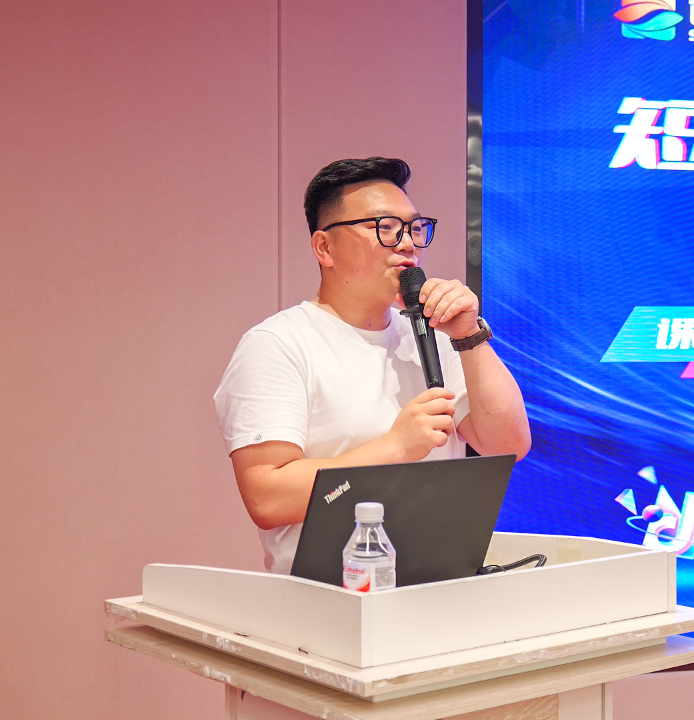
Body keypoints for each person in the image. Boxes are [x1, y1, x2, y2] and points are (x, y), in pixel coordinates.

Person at [214, 157, 531, 574]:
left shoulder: (437, 336)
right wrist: (395, 448)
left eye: (414, 228)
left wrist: (469, 335)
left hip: (446, 586)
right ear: (324, 248)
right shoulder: (278, 344)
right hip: (332, 595)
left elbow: (508, 445)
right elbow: (267, 498)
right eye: (385, 227)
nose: (408, 244)